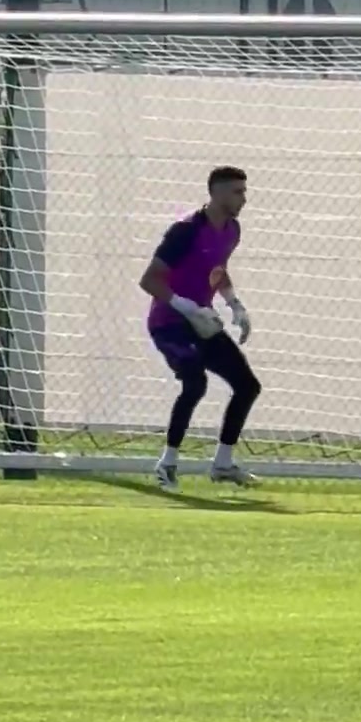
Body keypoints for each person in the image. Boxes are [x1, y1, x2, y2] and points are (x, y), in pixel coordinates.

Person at [139, 165, 261, 490]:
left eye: (244, 191)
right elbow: (149, 280)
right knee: (195, 384)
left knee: (247, 386)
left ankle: (223, 464)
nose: (244, 198)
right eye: (237, 192)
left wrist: (234, 303)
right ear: (216, 192)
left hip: (202, 323)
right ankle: (167, 464)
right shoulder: (185, 230)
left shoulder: (232, 230)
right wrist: (186, 307)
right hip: (170, 324)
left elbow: (216, 269)